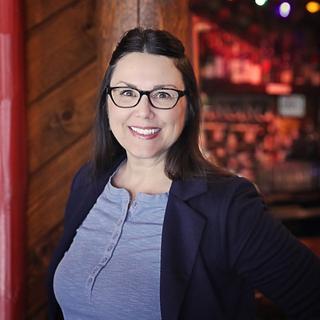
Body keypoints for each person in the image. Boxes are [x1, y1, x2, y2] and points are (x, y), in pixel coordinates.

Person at [47, 27, 320, 320]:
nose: (143, 110)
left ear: (187, 106)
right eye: (127, 92)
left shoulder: (228, 206)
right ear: (107, 103)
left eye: (162, 94)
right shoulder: (89, 181)